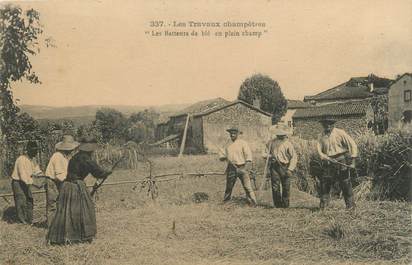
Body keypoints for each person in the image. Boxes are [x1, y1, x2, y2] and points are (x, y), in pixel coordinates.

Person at [47, 136, 112, 244]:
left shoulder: (76, 157)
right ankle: (78, 236)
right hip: (75, 186)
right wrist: (108, 172)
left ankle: (65, 236)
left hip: (67, 186)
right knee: (84, 209)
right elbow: (98, 173)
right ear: (90, 150)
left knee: (67, 211)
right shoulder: (85, 159)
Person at [317, 118, 358, 210]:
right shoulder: (321, 136)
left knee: (345, 182)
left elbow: (352, 145)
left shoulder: (340, 133)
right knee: (325, 183)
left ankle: (350, 206)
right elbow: (319, 151)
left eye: (330, 124)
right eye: (325, 125)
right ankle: (324, 207)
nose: (327, 127)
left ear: (333, 125)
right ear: (322, 126)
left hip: (341, 160)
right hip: (328, 161)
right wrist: (327, 158)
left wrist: (353, 161)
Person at [44, 135, 79, 225]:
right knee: (53, 203)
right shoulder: (57, 156)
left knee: (61, 202)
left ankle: (60, 224)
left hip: (60, 181)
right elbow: (60, 176)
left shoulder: (67, 157)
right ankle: (51, 225)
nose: (73, 151)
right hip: (52, 181)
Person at [219, 127, 257, 206]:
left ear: (237, 134)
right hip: (231, 168)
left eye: (234, 133)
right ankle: (226, 202)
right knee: (229, 186)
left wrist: (245, 168)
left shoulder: (243, 143)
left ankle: (253, 202)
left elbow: (249, 156)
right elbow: (221, 156)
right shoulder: (227, 143)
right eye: (231, 133)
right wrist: (223, 157)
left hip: (242, 166)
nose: (232, 134)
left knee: (247, 187)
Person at [10, 140, 43, 224]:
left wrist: (42, 177)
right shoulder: (21, 159)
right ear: (28, 150)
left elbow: (37, 170)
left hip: (27, 181)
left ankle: (29, 219)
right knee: (21, 202)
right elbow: (23, 176)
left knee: (29, 200)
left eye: (36, 150)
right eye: (34, 150)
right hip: (18, 182)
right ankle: (22, 221)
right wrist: (35, 184)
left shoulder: (33, 159)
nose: (35, 152)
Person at [263, 129, 297, 208]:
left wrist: (290, 169)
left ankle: (285, 205)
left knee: (286, 186)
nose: (281, 136)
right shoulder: (271, 142)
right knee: (275, 186)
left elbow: (294, 157)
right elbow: (264, 153)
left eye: (282, 135)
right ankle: (277, 205)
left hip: (285, 166)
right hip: (274, 166)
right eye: (279, 135)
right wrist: (270, 156)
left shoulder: (288, 144)